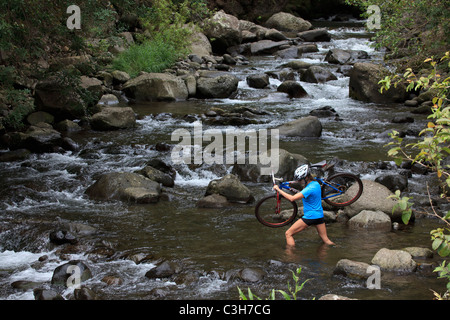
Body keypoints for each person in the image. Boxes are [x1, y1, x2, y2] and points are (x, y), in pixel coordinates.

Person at [273, 164, 335, 247]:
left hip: (310, 217)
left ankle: (291, 256)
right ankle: (336, 248)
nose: (299, 181)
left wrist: (278, 189)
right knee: (326, 240)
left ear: (306, 178)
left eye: (300, 180)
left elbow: (292, 198)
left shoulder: (308, 189)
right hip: (319, 216)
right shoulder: (315, 183)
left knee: (288, 234)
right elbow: (299, 186)